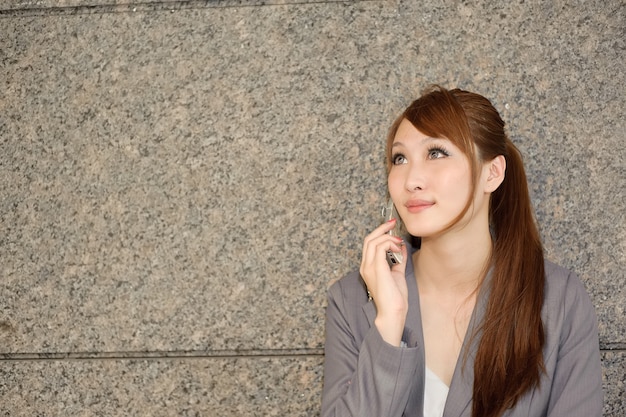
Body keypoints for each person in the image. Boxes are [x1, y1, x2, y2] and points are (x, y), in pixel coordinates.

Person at [321, 86, 603, 417]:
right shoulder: (353, 301)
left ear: (492, 173)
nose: (411, 179)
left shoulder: (557, 299)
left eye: (436, 152)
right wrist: (389, 324)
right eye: (400, 158)